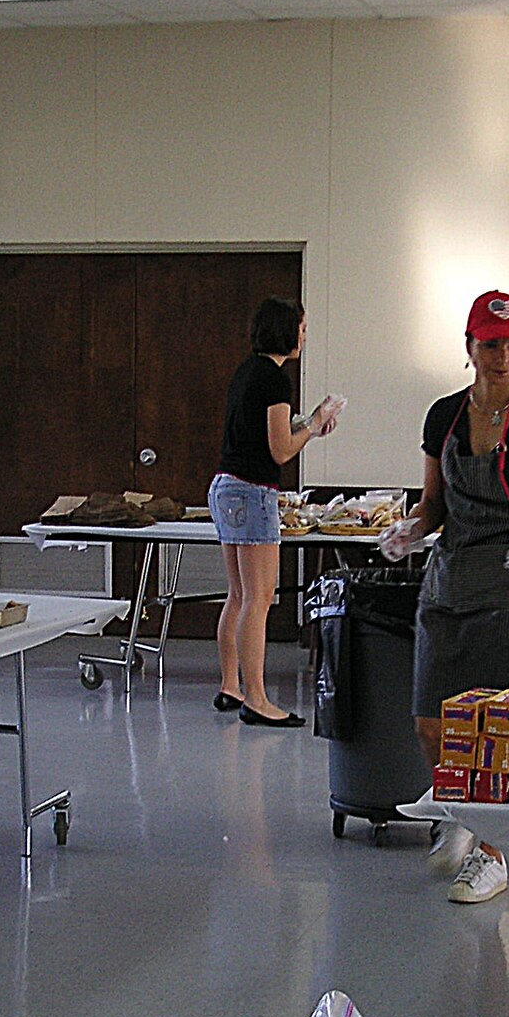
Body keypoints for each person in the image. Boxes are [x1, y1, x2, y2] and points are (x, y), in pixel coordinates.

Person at [379, 291, 509, 903]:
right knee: (431, 721)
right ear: (469, 346)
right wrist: (410, 530)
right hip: (453, 577)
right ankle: (461, 814)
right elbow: (433, 504)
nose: (504, 356)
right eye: (492, 345)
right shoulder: (443, 415)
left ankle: (494, 854)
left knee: (504, 725)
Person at [210, 297, 344, 727]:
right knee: (260, 598)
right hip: (252, 491)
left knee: (238, 594)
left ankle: (231, 685)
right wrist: (313, 426)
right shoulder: (274, 378)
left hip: (226, 486)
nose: (304, 337)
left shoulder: (248, 371)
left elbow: (262, 432)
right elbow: (281, 450)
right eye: (302, 329)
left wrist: (308, 424)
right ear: (286, 331)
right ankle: (257, 699)